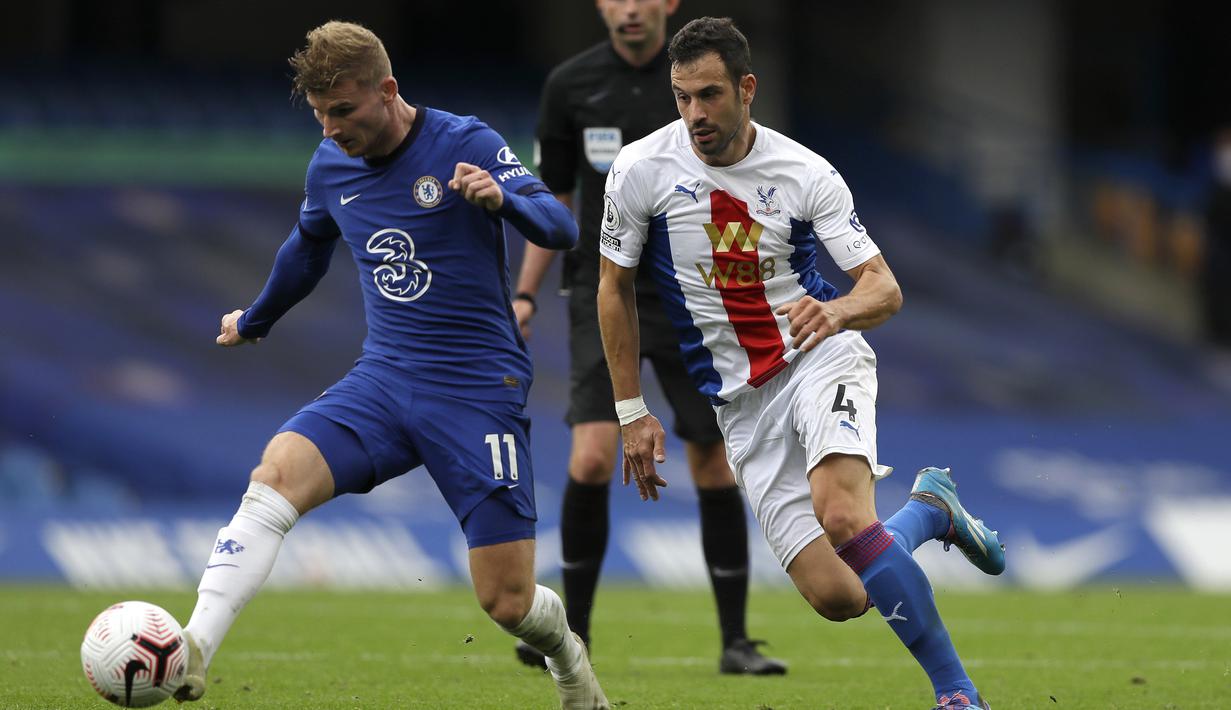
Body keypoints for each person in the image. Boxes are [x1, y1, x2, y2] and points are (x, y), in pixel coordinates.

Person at [174, 21, 609, 710]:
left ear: (387, 90)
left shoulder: (464, 142)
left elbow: (560, 228)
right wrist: (255, 319)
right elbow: (307, 248)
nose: (331, 130)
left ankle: (567, 659)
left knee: (506, 600)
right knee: (276, 472)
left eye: (343, 112)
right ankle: (193, 648)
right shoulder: (330, 166)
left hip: (475, 389)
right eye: (320, 116)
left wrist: (504, 201)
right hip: (385, 378)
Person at [597, 17, 1005, 710]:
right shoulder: (641, 170)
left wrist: (839, 311)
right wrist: (631, 410)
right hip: (741, 406)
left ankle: (956, 694)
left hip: (819, 357)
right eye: (682, 97)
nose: (694, 113)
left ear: (746, 88)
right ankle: (927, 510)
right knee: (841, 595)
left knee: (842, 516)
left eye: (710, 95)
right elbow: (612, 287)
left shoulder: (804, 172)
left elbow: (883, 287)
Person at [512, 0, 784, 676]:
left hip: (695, 296)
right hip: (603, 291)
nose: (628, 9)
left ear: (666, 4)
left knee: (712, 462)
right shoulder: (570, 86)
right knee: (592, 458)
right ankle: (571, 634)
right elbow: (554, 197)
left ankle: (735, 641)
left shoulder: (701, 82)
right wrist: (523, 293)